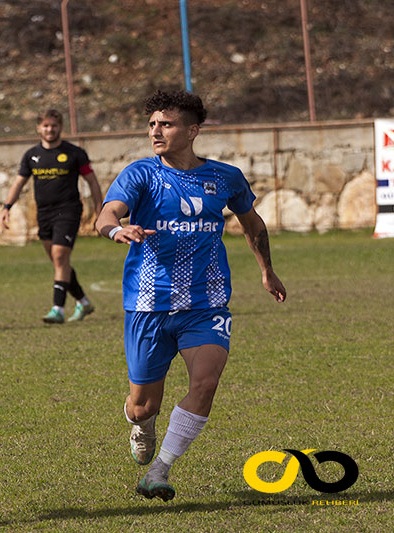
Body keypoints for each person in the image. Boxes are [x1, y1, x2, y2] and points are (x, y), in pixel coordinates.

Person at [95, 90, 286, 501]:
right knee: (143, 405)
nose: (156, 131)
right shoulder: (141, 174)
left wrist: (267, 271)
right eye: (152, 125)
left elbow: (254, 225)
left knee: (205, 382)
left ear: (192, 130)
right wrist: (117, 229)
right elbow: (106, 213)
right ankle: (141, 423)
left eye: (166, 124)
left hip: (206, 304)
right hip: (150, 304)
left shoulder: (226, 178)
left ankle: (159, 472)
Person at [0, 109, 103, 324]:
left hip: (69, 211)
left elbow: (92, 181)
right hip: (44, 213)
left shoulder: (75, 153)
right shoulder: (31, 155)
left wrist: (100, 210)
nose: (50, 129)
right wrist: (6, 206)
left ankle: (58, 309)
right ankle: (83, 302)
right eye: (45, 125)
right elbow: (19, 182)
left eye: (54, 125)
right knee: (59, 262)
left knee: (59, 257)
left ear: (60, 127)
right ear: (38, 128)